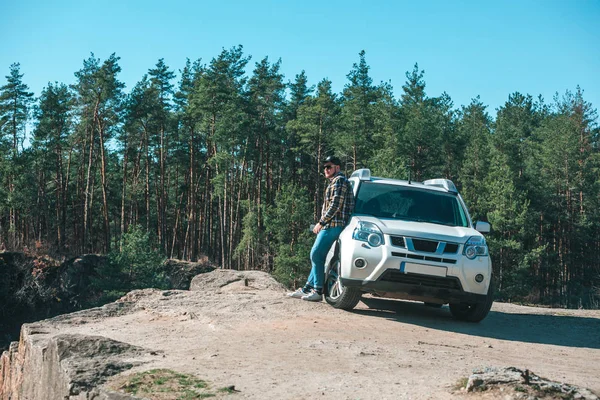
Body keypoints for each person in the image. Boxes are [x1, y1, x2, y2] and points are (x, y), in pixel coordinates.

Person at [287, 155, 355, 301]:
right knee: (318, 256)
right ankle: (307, 288)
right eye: (324, 167)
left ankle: (317, 291)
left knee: (316, 254)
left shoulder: (340, 181)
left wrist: (321, 222)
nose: (326, 169)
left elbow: (335, 205)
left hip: (333, 225)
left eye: (329, 167)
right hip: (331, 224)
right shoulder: (334, 182)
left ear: (337, 167)